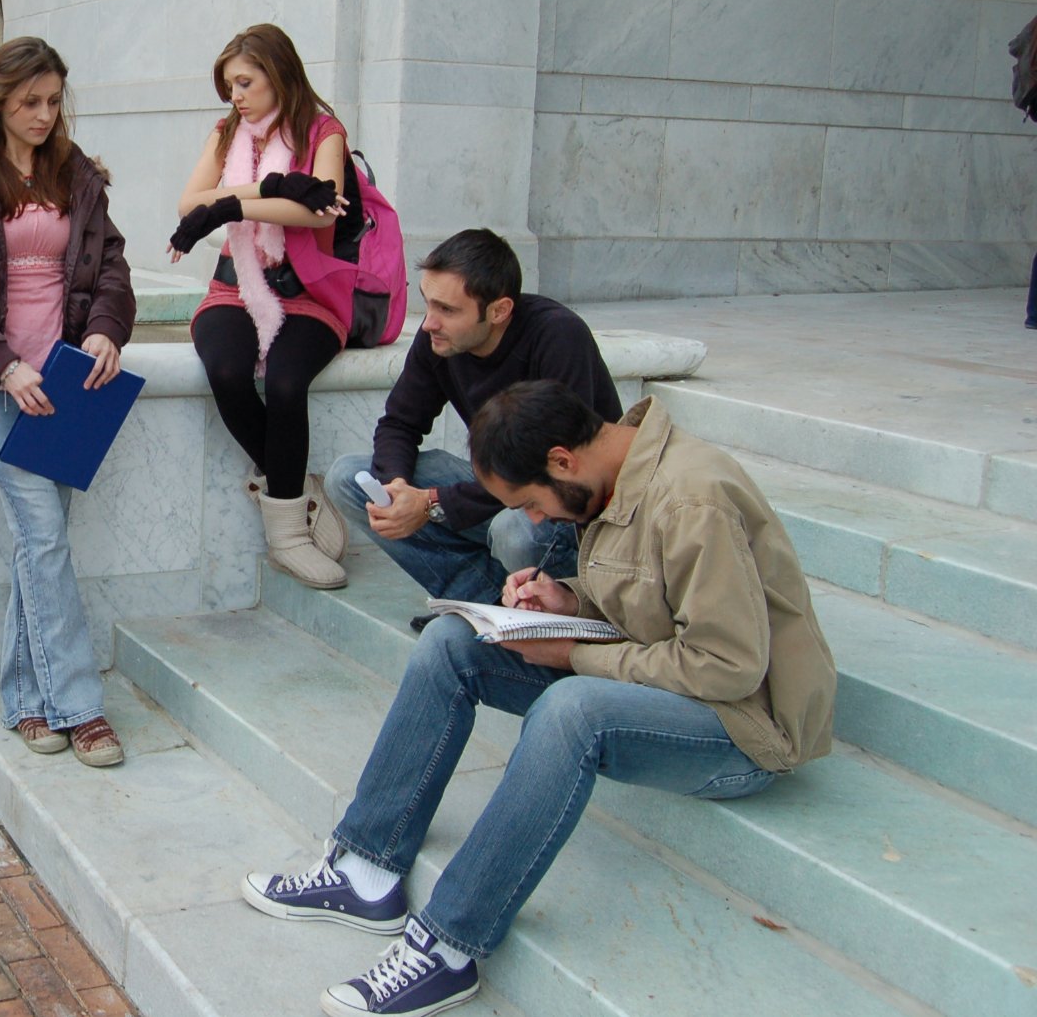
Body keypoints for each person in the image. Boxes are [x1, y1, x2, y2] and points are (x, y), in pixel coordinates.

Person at [243, 380, 836, 1017]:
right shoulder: (615, 477)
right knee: (451, 642)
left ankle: (447, 949)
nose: (531, 521)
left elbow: (728, 667)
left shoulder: (692, 498)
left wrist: (573, 655)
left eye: (528, 503)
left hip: (744, 728)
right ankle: (367, 869)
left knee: (572, 711)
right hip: (672, 681)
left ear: (561, 460)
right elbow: (651, 603)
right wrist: (568, 601)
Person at [0, 36, 136, 767]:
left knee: (36, 545)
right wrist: (4, 364)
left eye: (52, 101)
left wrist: (107, 331)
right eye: (29, 102)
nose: (44, 115)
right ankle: (82, 706)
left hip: (66, 383)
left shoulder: (78, 176)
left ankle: (26, 698)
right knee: (43, 534)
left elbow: (110, 267)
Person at [326, 229, 620, 607]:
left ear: (499, 311)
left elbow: (555, 469)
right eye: (428, 304)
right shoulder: (440, 339)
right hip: (501, 487)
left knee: (513, 531)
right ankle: (480, 601)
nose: (429, 322)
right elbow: (400, 422)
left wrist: (432, 501)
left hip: (565, 507)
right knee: (350, 479)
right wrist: (398, 489)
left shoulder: (557, 336)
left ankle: (542, 612)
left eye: (447, 309)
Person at [169, 23, 355, 589]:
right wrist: (277, 188)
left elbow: (322, 211)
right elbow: (189, 203)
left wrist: (231, 203)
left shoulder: (324, 130)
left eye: (245, 82)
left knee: (284, 385)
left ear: (278, 73)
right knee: (226, 370)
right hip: (235, 287)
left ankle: (287, 538)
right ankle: (297, 490)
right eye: (229, 86)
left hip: (307, 292)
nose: (236, 97)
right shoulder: (226, 133)